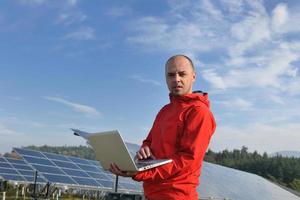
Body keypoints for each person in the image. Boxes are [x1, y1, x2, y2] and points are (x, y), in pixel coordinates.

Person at [110, 55, 216, 200]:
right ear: (166, 78)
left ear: (193, 76)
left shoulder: (199, 112)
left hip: (177, 195)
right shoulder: (165, 111)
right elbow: (149, 141)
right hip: (152, 193)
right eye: (171, 75)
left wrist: (140, 172)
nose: (176, 79)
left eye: (182, 74)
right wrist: (144, 152)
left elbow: (187, 162)